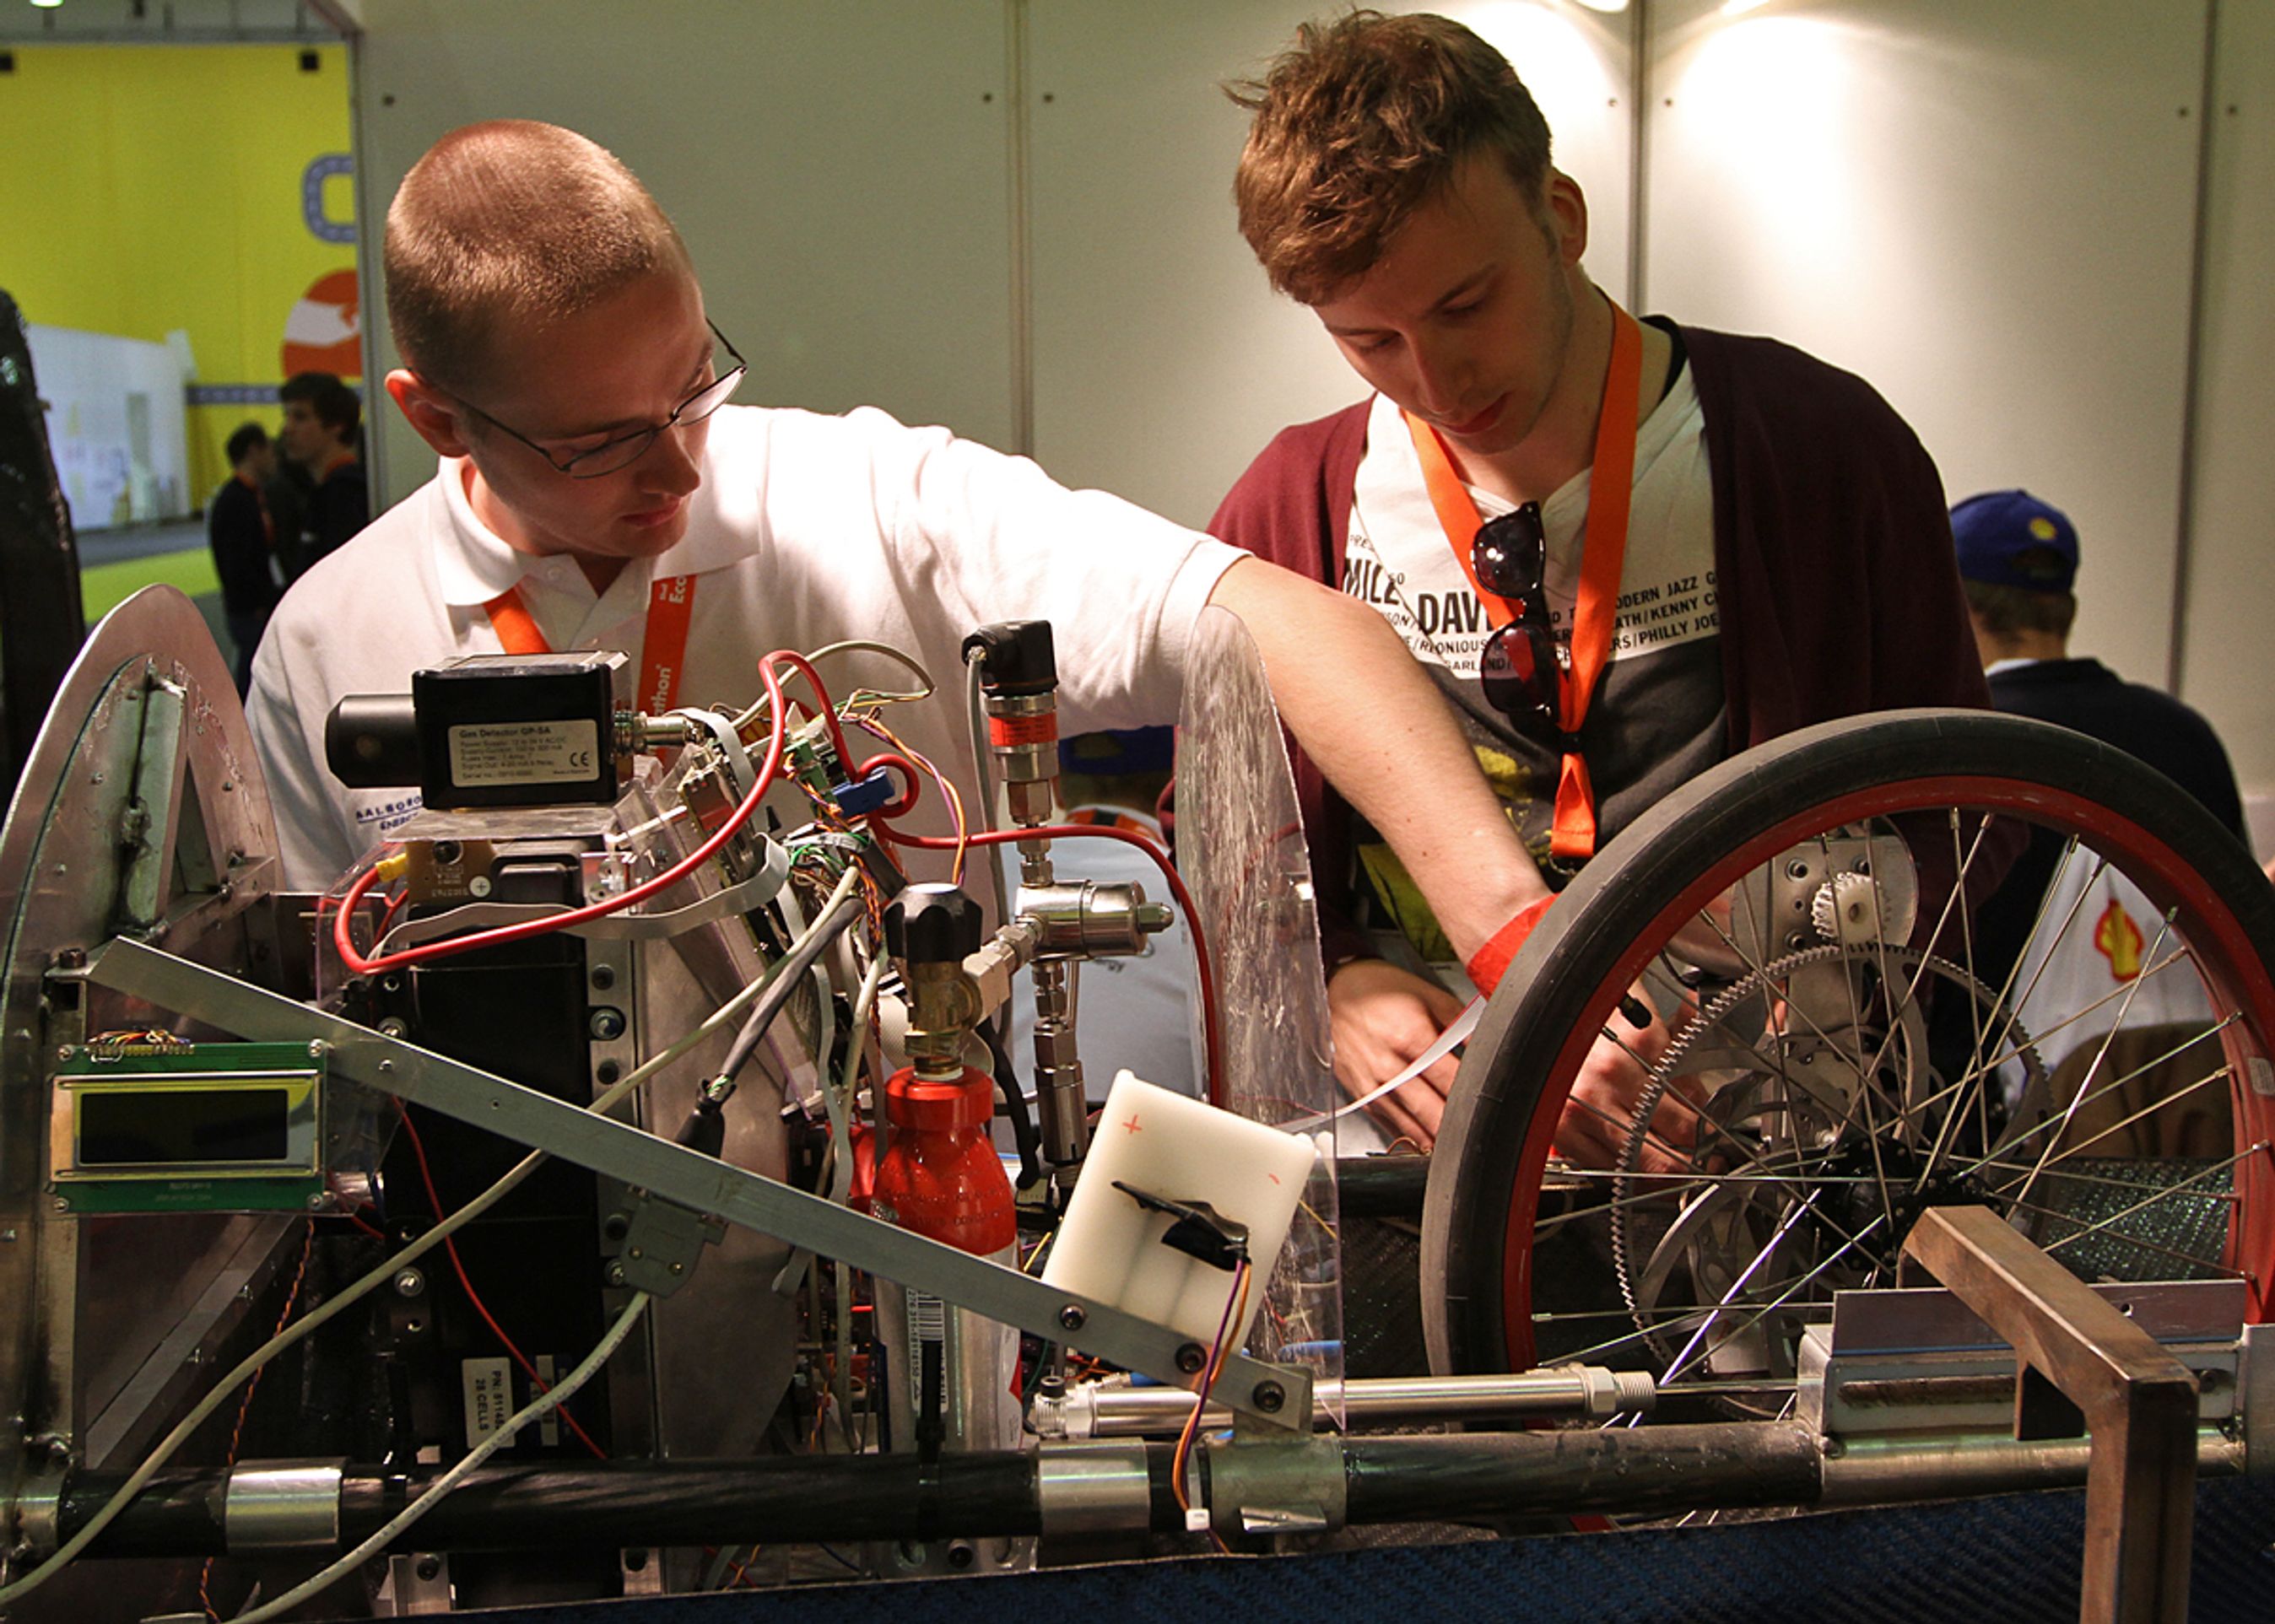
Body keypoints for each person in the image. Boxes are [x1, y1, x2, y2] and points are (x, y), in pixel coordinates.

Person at [246, 119, 1550, 1009]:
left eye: (694, 385)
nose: (684, 471)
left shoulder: (868, 496)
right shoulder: (332, 641)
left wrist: (1524, 950)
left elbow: (1283, 625)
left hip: (907, 1222)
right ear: (436, 419)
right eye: (602, 443)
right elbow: (328, 1005)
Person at [1213, 12, 1999, 1152]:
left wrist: (1827, 944)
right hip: (1441, 1161)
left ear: (1562, 219)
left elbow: (1972, 809)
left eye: (1465, 305)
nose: (1435, 378)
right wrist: (1331, 986)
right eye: (1369, 341)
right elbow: (1224, 850)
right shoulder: (1295, 503)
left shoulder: (1819, 449)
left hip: (1762, 1158)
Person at [1953, 488, 2247, 1155]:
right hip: (2203, 1138)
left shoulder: (1962, 742)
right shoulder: (2185, 735)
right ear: (2065, 607)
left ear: (1957, 606)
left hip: (2004, 1155)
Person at [205, 421, 284, 695]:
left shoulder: (249, 496)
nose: (274, 459)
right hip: (250, 609)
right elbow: (236, 562)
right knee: (253, 683)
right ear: (254, 451)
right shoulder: (235, 501)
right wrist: (258, 602)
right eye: (269, 451)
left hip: (253, 605)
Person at [277, 370, 370, 570]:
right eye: (287, 416)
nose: (287, 428)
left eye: (300, 417)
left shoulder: (345, 495)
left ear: (336, 425)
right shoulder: (322, 492)